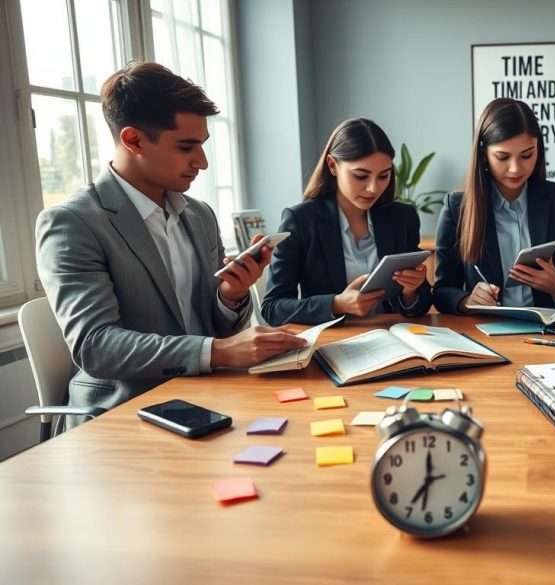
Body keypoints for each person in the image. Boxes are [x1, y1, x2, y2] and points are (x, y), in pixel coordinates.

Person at [35, 62, 307, 429]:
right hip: (123, 416)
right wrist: (220, 351)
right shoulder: (73, 224)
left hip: (207, 398)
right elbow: (96, 346)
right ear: (133, 140)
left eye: (203, 146)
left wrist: (231, 295)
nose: (203, 162)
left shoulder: (199, 215)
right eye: (186, 147)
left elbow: (212, 329)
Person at [261, 118, 431, 325]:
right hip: (334, 343)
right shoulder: (301, 221)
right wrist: (336, 304)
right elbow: (273, 308)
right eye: (361, 176)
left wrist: (411, 291)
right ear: (332, 165)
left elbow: (420, 307)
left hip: (394, 340)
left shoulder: (402, 218)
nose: (373, 188)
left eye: (383, 176)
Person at [433, 98, 555, 313]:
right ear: (483, 154)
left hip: (549, 332)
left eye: (527, 155)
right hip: (486, 331)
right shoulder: (457, 207)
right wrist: (466, 300)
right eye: (502, 157)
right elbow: (442, 290)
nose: (515, 168)